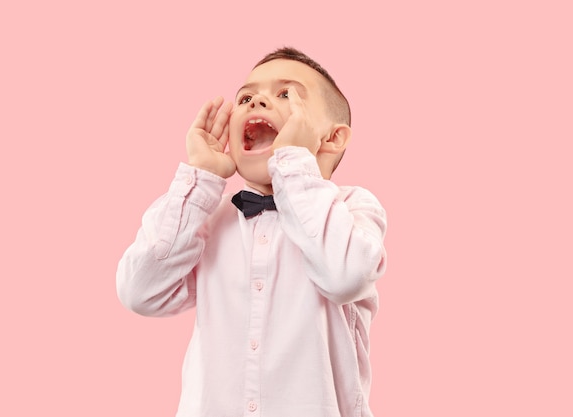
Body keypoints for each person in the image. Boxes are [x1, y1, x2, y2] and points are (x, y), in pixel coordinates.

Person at [117, 47, 387, 417]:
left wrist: (293, 161)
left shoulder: (355, 209)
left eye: (286, 94)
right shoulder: (208, 219)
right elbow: (139, 291)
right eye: (246, 97)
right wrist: (202, 178)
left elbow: (345, 276)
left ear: (332, 138)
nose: (258, 99)